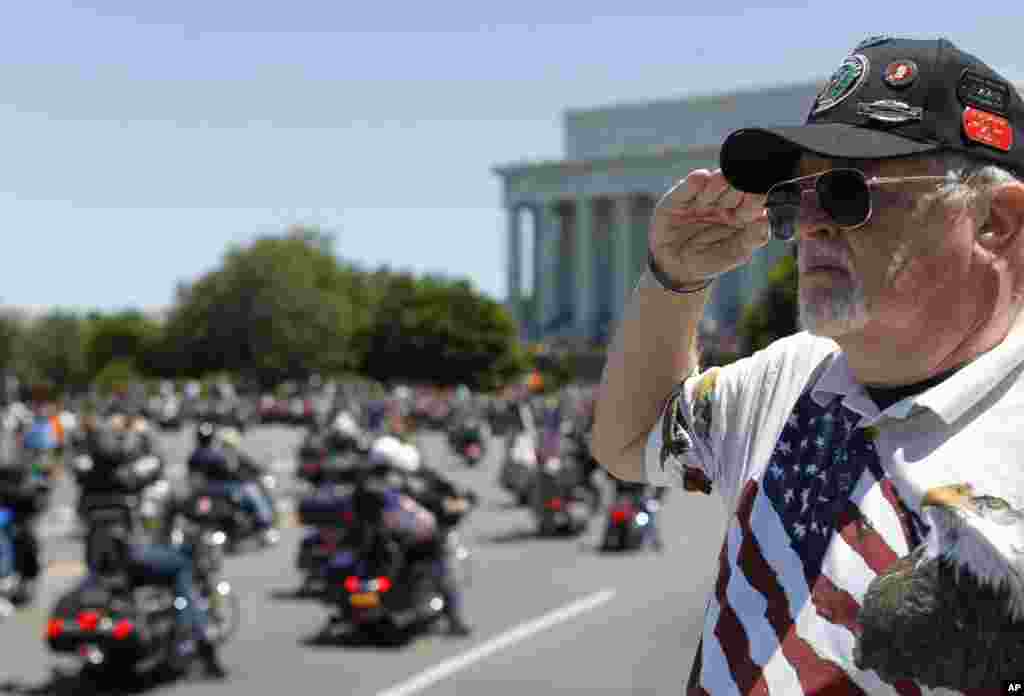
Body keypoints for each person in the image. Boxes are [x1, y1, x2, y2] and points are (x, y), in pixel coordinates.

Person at [591, 35, 1024, 694]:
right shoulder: (793, 374)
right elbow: (631, 442)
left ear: (995, 222)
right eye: (799, 199)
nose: (815, 224)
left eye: (848, 194)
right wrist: (673, 281)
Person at [365, 428, 475, 636]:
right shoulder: (405, 483)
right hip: (401, 541)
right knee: (444, 557)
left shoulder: (369, 481)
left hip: (393, 541)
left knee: (441, 555)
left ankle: (448, 614)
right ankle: (455, 619)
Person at [87, 526, 227, 679]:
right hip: (135, 553)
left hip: (106, 557)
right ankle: (200, 631)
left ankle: (184, 633)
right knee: (184, 568)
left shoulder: (98, 512)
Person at [187, 422, 278, 545]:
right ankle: (265, 525)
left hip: (206, 492)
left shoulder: (195, 456)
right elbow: (234, 470)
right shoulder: (217, 456)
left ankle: (261, 526)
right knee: (252, 491)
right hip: (223, 490)